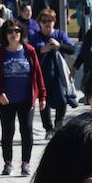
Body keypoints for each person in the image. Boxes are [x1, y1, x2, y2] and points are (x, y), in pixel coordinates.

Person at [0, 18, 44, 175]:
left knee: (27, 131)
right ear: (5, 34)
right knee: (8, 132)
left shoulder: (29, 50)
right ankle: (8, 163)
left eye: (17, 31)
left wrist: (42, 96)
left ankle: (26, 163)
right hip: (6, 100)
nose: (14, 34)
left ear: (22, 33)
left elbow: (38, 75)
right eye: (10, 31)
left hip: (26, 99)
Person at [32, 9, 77, 137]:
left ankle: (58, 126)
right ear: (39, 23)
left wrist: (59, 45)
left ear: (54, 21)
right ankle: (48, 128)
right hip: (42, 74)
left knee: (62, 101)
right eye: (44, 21)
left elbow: (72, 49)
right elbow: (29, 52)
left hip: (58, 75)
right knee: (43, 102)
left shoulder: (60, 35)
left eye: (50, 20)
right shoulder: (36, 37)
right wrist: (41, 50)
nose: (47, 24)